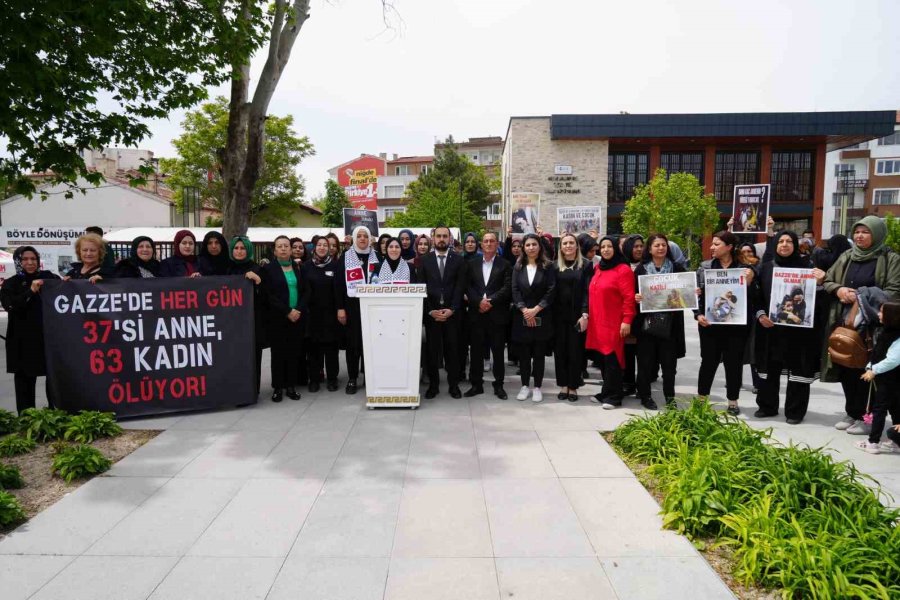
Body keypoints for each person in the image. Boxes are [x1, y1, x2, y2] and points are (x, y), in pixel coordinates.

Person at [823, 216, 900, 434]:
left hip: (875, 326)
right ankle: (852, 412)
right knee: (846, 367)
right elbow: (828, 279)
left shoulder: (890, 258)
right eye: (857, 232)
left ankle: (868, 418)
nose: (859, 236)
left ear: (876, 234)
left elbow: (894, 291)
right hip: (846, 323)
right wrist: (839, 290)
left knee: (870, 372)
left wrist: (863, 296)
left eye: (865, 232)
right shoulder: (847, 256)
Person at [753, 231, 818, 424]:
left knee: (798, 370)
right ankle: (767, 406)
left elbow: (817, 299)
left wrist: (821, 280)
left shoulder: (808, 267)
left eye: (789, 241)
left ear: (795, 244)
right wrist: (761, 315)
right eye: (780, 241)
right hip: (771, 329)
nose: (784, 244)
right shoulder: (765, 268)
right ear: (775, 245)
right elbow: (757, 298)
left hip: (799, 333)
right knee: (769, 369)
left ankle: (795, 411)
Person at [695, 231, 756, 416]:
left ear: (729, 247)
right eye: (712, 244)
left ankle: (732, 401)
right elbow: (695, 297)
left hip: (736, 326)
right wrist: (697, 315)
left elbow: (754, 298)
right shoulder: (704, 267)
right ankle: (702, 399)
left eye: (716, 244)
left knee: (733, 364)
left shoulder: (744, 269)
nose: (712, 247)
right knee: (708, 362)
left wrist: (751, 281)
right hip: (709, 325)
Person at [1, 247, 61, 413]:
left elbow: (67, 292)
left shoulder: (49, 278)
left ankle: (55, 415)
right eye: (25, 259)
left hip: (47, 339)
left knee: (53, 379)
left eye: (33, 259)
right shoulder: (10, 283)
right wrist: (31, 291)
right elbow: (11, 306)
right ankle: (27, 418)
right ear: (18, 261)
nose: (30, 263)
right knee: (24, 382)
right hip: (22, 342)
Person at [633, 234, 689, 410]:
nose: (661, 248)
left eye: (663, 245)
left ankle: (670, 398)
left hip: (670, 326)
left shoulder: (677, 268)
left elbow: (685, 293)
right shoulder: (641, 269)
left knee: (669, 365)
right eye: (656, 245)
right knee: (645, 363)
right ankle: (645, 396)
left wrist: (691, 293)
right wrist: (636, 297)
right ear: (649, 249)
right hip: (647, 325)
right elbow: (632, 293)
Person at [586, 236, 637, 408]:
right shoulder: (598, 268)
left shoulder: (623, 270)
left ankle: (615, 397)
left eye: (609, 246)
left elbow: (629, 298)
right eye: (603, 247)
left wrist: (627, 320)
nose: (606, 249)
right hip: (597, 323)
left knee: (613, 359)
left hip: (614, 323)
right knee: (602, 360)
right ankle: (606, 392)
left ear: (616, 249)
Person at [418, 225, 466, 398]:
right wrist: (430, 311)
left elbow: (460, 287)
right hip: (432, 316)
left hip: (452, 315)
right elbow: (421, 288)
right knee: (432, 353)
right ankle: (433, 385)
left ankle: (454, 385)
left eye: (445, 236)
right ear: (433, 238)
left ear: (450, 239)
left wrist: (452, 309)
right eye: (438, 236)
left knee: (452, 352)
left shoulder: (459, 260)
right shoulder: (425, 260)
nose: (441, 239)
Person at [462, 231, 512, 399]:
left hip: (497, 314)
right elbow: (467, 286)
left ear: (497, 244)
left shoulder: (505, 264)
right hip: (477, 315)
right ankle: (477, 385)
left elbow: (507, 287)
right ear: (481, 245)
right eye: (486, 241)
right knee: (476, 351)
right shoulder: (472, 264)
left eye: (492, 241)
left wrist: (490, 301)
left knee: (498, 352)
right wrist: (478, 302)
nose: (489, 244)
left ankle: (499, 385)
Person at [511, 233, 556, 402]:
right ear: (523, 247)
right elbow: (514, 290)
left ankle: (537, 387)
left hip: (541, 315)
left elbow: (551, 290)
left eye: (534, 244)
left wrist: (536, 309)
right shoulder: (518, 266)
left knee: (538, 354)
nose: (531, 248)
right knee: (524, 355)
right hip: (522, 316)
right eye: (528, 245)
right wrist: (524, 309)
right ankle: (524, 386)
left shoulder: (548, 266)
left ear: (539, 247)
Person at [261, 235, 306, 402]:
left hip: (297, 317)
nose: (284, 249)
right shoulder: (269, 269)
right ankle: (278, 388)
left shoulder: (298, 267)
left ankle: (291, 386)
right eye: (280, 246)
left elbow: (305, 291)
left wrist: (298, 310)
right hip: (278, 318)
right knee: (278, 354)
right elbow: (269, 295)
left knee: (293, 353)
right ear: (275, 250)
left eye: (286, 246)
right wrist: (287, 311)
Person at [335, 226, 377, 394]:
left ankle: (369, 375)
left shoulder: (377, 258)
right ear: (353, 238)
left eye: (365, 236)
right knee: (354, 344)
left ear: (369, 239)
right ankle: (352, 378)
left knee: (371, 344)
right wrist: (340, 308)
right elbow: (338, 285)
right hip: (352, 308)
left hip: (372, 309)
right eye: (358, 236)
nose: (362, 239)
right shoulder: (345, 258)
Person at [856, 301, 900, 454]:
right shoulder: (887, 332)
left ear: (892, 316)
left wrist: (874, 370)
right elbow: (878, 354)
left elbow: (894, 360)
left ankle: (873, 442)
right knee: (895, 409)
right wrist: (870, 366)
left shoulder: (897, 336)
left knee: (879, 409)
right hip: (887, 379)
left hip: (890, 381)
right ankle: (896, 441)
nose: (879, 314)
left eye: (882, 312)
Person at [553, 233, 592, 402]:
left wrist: (585, 313)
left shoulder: (586, 265)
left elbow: (587, 291)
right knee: (560, 352)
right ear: (560, 247)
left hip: (578, 317)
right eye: (565, 243)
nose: (568, 246)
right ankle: (563, 385)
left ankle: (573, 386)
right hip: (558, 317)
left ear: (577, 246)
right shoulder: (554, 266)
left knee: (576, 352)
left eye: (571, 243)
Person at [227, 236, 266, 396]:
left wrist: (258, 282)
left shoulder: (256, 268)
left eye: (243, 248)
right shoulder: (225, 268)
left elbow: (266, 296)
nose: (239, 251)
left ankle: (251, 391)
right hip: (229, 322)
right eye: (236, 248)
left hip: (251, 321)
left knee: (253, 356)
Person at [302, 236, 341, 392]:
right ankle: (314, 379)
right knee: (314, 349)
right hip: (312, 314)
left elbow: (338, 290)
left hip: (331, 313)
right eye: (320, 245)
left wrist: (340, 309)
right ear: (314, 247)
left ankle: (332, 378)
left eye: (326, 245)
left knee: (331, 348)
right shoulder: (306, 267)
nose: (323, 247)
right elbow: (304, 290)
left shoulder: (335, 265)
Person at [620, 235, 645, 395]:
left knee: (643, 354)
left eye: (641, 246)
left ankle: (643, 385)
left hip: (645, 316)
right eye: (635, 246)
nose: (639, 249)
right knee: (628, 352)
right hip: (627, 316)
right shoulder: (621, 265)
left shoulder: (647, 265)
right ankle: (628, 383)